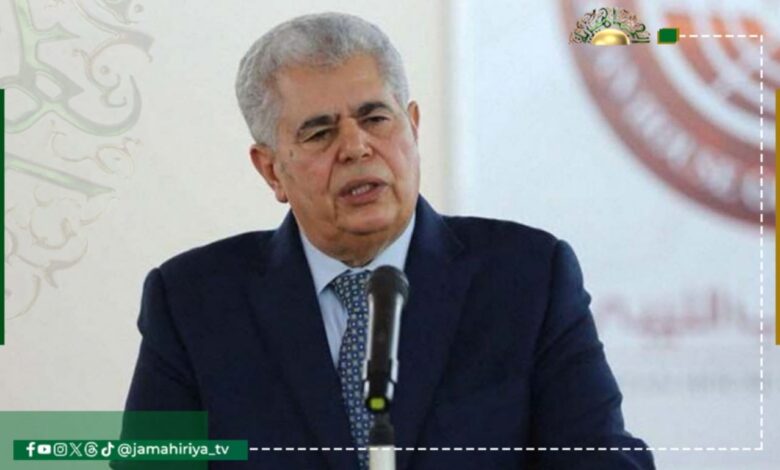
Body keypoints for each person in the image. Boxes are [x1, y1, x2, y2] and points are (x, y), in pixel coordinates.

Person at [123, 12, 655, 470]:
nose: (356, 147)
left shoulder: (528, 278)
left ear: (413, 127)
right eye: (319, 132)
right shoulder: (194, 303)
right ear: (270, 169)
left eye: (375, 118)